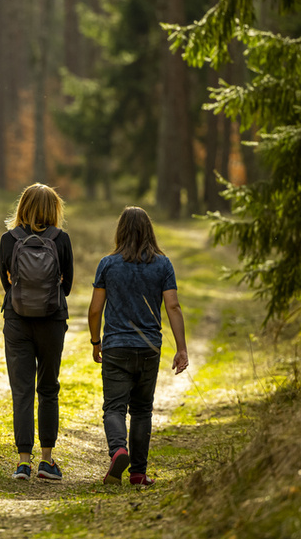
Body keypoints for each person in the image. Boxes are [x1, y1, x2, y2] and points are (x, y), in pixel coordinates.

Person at [87, 206, 189, 486]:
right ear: (149, 231)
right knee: (142, 410)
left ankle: (119, 450)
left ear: (120, 231)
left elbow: (95, 310)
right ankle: (138, 474)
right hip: (149, 348)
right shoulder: (163, 264)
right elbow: (173, 306)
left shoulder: (108, 264)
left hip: (116, 346)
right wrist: (181, 348)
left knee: (114, 408)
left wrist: (96, 341)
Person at [0, 183, 74, 481]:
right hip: (52, 320)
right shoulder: (61, 239)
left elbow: (5, 283)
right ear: (55, 209)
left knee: (22, 390)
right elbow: (66, 286)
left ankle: (22, 462)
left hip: (17, 320)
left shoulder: (9, 238)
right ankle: (47, 461)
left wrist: (22, 299)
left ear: (22, 207)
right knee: (48, 388)